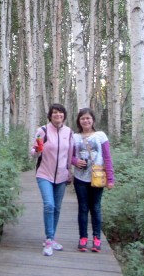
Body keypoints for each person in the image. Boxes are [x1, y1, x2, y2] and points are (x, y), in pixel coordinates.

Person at [30, 103, 75, 256]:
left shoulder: (68, 132)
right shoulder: (42, 131)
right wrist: (36, 149)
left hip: (62, 176)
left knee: (57, 207)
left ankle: (51, 237)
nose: (58, 115)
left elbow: (69, 154)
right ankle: (49, 240)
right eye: (55, 113)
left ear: (64, 115)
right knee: (49, 205)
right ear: (50, 115)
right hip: (44, 174)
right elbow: (34, 153)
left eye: (61, 113)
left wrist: (69, 170)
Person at [71, 107, 115, 253]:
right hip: (80, 177)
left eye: (88, 118)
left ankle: (97, 238)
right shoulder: (75, 137)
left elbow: (107, 157)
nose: (85, 120)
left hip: (97, 177)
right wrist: (75, 161)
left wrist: (110, 178)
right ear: (79, 121)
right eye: (82, 118)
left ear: (93, 120)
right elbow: (69, 156)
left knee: (95, 207)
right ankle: (83, 238)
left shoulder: (101, 136)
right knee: (83, 208)